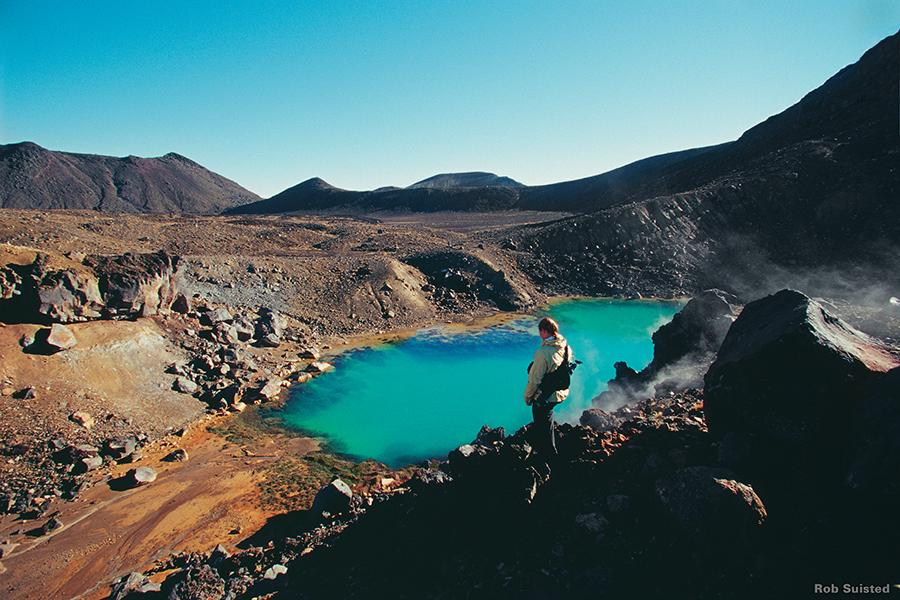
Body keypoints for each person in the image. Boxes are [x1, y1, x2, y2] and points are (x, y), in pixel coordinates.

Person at [524, 316, 572, 461]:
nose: (539, 334)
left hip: (546, 395)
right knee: (547, 420)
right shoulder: (564, 346)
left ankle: (548, 456)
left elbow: (535, 380)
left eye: (540, 331)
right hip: (560, 392)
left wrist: (528, 397)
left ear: (544, 331)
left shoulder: (543, 353)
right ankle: (548, 451)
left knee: (541, 423)